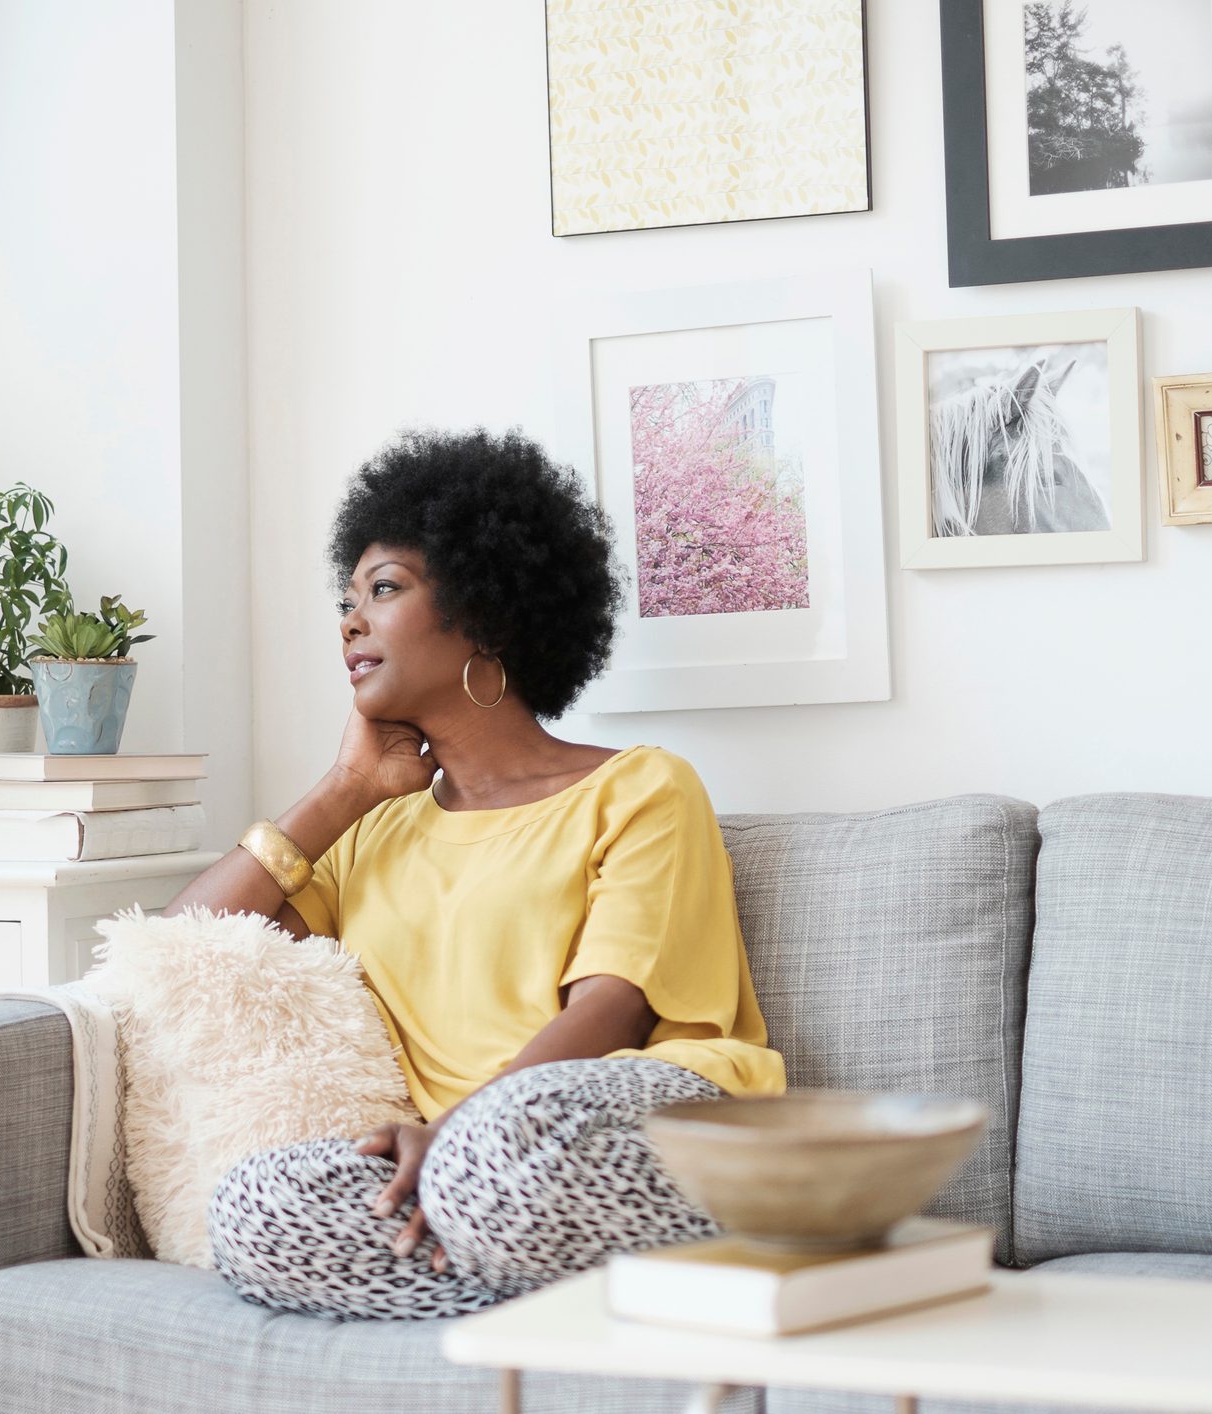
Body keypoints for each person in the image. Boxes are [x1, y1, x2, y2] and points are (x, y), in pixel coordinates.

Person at [164, 427, 785, 1321]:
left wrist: (458, 1133)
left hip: (642, 1119)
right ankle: (575, 1299)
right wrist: (341, 792)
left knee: (497, 1165)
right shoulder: (372, 832)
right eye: (346, 600)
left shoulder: (642, 787)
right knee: (256, 1209)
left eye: (384, 590)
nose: (349, 622)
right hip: (461, 1169)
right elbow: (189, 949)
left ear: (487, 613)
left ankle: (549, 1255)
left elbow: (612, 1009)